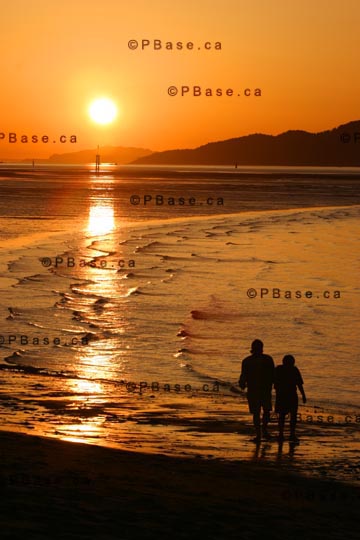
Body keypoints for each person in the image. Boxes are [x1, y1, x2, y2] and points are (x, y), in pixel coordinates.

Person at [239, 339, 274, 442]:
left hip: (263, 390)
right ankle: (260, 433)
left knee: (265, 411)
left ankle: (262, 430)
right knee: (258, 412)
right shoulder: (248, 361)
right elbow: (243, 375)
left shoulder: (267, 359)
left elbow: (273, 373)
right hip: (256, 390)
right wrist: (242, 382)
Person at [274, 354, 306, 442]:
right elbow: (299, 384)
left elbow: (272, 382)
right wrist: (303, 395)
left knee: (283, 416)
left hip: (283, 395)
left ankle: (283, 434)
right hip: (289, 395)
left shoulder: (279, 369)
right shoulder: (292, 370)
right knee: (291, 416)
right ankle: (290, 434)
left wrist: (303, 395)